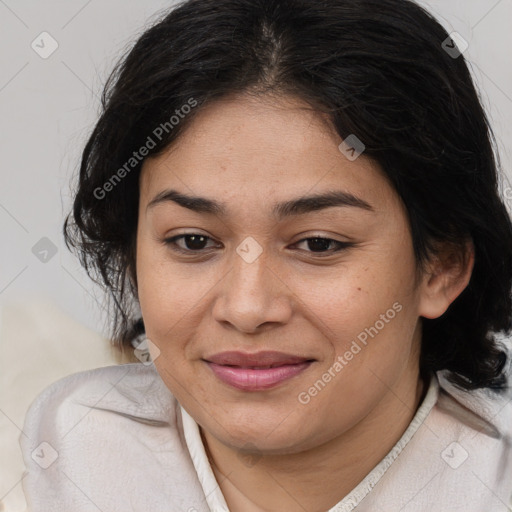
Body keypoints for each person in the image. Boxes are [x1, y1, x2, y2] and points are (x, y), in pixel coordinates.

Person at [19, 0, 512, 510]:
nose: (247, 308)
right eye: (193, 241)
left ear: (442, 265)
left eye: (318, 243)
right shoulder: (69, 447)